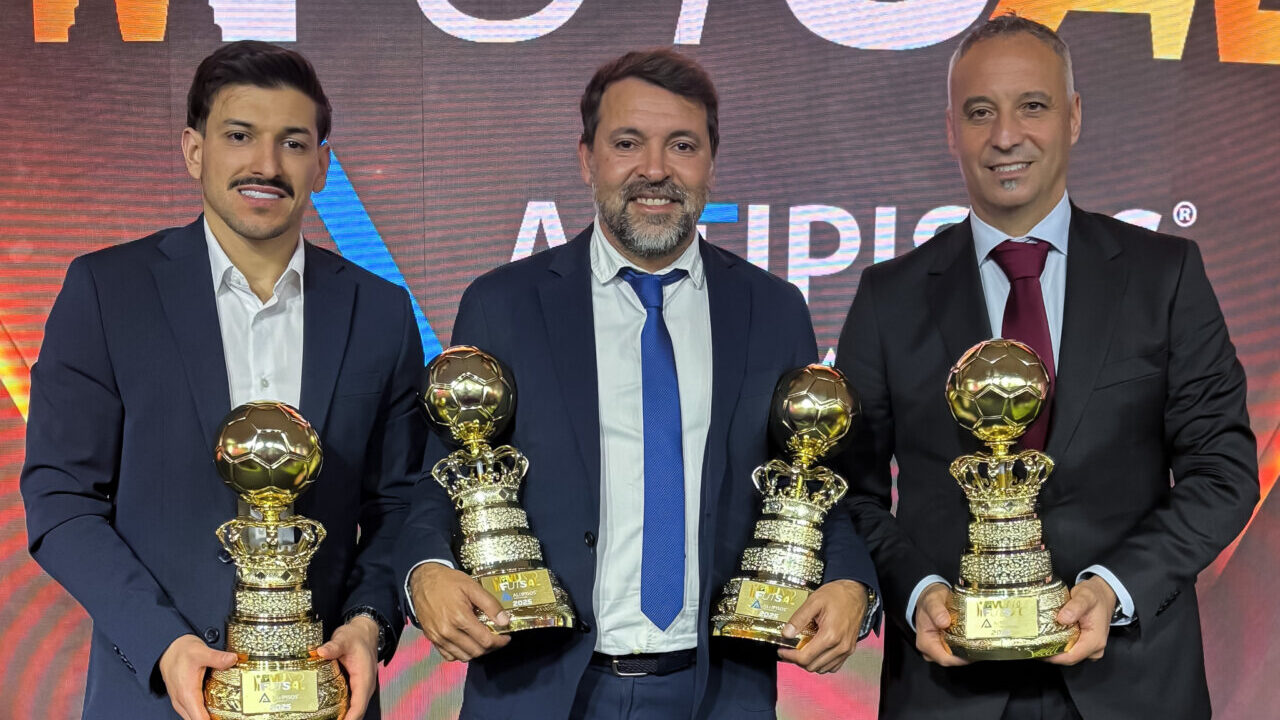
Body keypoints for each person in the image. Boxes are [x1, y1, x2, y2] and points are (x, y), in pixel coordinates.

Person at [398, 49, 881, 720]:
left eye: (681, 145)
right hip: (536, 688)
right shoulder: (503, 304)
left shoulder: (773, 310)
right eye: (628, 143)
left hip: (718, 692)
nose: (655, 169)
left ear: (711, 162)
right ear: (587, 158)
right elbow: (437, 477)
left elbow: (813, 482)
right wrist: (425, 569)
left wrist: (853, 581)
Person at [834, 14, 1258, 720]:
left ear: (1074, 117)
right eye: (980, 113)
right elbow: (850, 488)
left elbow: (1224, 470)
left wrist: (1113, 588)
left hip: (1133, 684)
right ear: (950, 130)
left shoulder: (1164, 276)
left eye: (1032, 105)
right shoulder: (889, 298)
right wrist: (915, 593)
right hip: (947, 691)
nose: (1006, 136)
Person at [21, 41, 425, 720]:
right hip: (152, 697)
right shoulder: (108, 291)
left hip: (324, 696)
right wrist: (162, 643)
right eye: (239, 136)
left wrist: (367, 622)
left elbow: (401, 505)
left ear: (322, 162)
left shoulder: (379, 311)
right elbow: (61, 498)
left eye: (293, 143)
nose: (265, 164)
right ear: (194, 150)